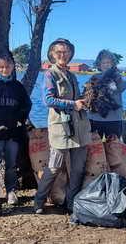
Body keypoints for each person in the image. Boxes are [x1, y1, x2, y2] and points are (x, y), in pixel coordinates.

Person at [34, 38, 91, 214]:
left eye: (66, 51)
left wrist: (87, 97)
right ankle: (39, 201)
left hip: (79, 127)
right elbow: (48, 100)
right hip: (61, 128)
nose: (62, 54)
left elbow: (76, 98)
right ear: (52, 54)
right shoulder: (50, 74)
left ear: (70, 54)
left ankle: (71, 202)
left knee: (78, 169)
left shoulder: (73, 76)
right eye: (58, 51)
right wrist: (73, 104)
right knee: (54, 167)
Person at [0, 54, 32, 208]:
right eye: (2, 67)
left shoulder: (17, 86)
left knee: (11, 165)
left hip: (13, 133)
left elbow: (27, 105)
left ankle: (11, 191)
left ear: (12, 67)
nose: (5, 69)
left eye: (8, 66)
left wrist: (19, 120)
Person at [87, 49, 126, 138]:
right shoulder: (93, 78)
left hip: (114, 119)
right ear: (99, 64)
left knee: (114, 148)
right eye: (103, 63)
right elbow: (87, 96)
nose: (106, 65)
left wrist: (116, 78)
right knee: (95, 148)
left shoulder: (117, 77)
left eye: (108, 62)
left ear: (112, 64)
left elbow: (122, 87)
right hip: (95, 118)